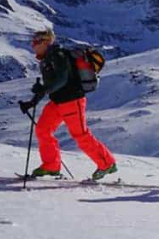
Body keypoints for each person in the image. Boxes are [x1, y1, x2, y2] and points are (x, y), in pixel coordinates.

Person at [18, 29, 117, 180]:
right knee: (43, 129)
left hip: (72, 100)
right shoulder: (47, 60)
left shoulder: (58, 56)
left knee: (81, 135)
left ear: (46, 42)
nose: (33, 45)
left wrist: (43, 89)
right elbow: (50, 85)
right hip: (57, 102)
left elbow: (62, 79)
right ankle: (51, 165)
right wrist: (31, 103)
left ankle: (107, 163)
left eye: (36, 42)